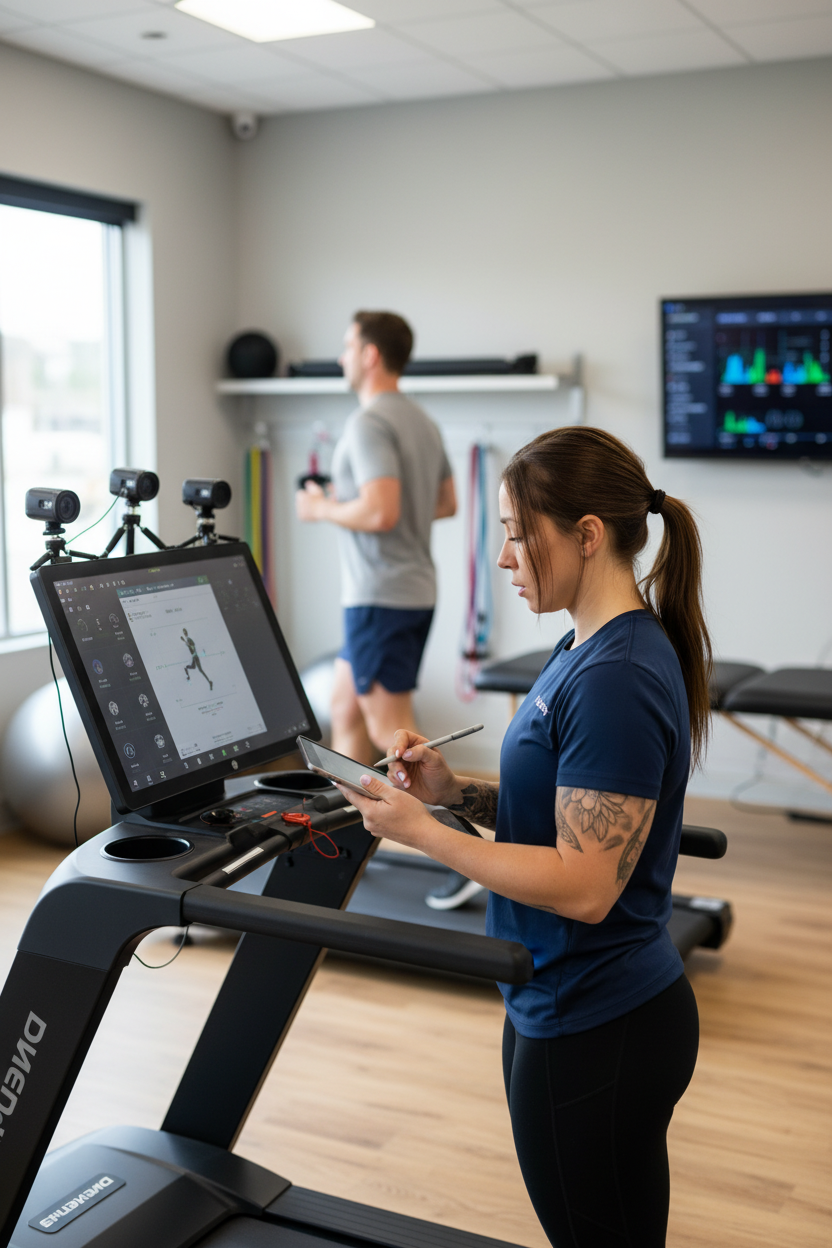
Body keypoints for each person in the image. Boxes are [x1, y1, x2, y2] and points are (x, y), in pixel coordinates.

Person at [338, 426, 711, 1248]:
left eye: (516, 534)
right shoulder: (586, 644)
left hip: (597, 1015)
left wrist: (421, 833)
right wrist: (450, 792)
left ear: (586, 534)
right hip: (564, 999)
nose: (504, 558)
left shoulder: (616, 677)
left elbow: (584, 884)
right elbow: (564, 804)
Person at [296, 310, 456, 766]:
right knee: (344, 711)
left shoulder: (368, 423)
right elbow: (443, 503)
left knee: (392, 733)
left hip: (383, 596)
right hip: (405, 591)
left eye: (348, 346)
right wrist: (351, 500)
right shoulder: (422, 421)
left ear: (370, 355)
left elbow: (382, 511)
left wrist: (320, 507)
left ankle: (441, 833)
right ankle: (351, 825)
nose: (342, 356)